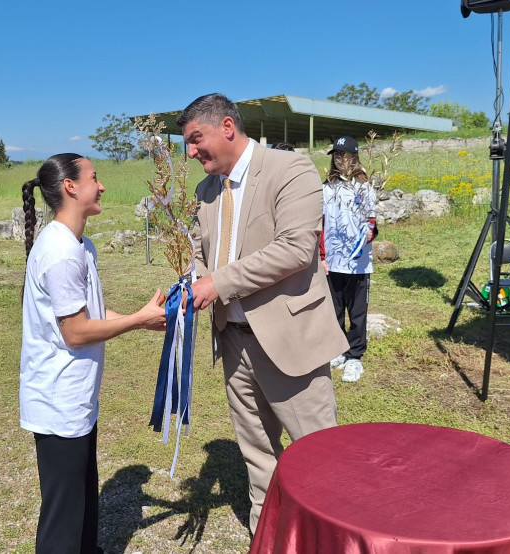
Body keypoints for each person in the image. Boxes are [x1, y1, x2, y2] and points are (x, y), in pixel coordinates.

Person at [179, 93, 344, 534]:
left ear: (227, 127)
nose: (190, 152)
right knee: (256, 452)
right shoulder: (205, 191)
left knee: (319, 452)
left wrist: (216, 284)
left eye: (196, 139)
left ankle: (328, 536)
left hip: (290, 339)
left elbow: (295, 249)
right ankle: (267, 534)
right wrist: (191, 282)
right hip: (233, 340)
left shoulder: (291, 170)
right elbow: (202, 255)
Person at [20, 153, 166, 554]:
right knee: (63, 519)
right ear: (70, 187)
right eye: (94, 178)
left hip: (76, 398)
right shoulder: (61, 252)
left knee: (81, 502)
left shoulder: (80, 245)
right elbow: (76, 332)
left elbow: (90, 315)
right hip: (58, 400)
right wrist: (137, 321)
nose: (101, 186)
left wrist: (142, 318)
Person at [321, 136, 377, 383]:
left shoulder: (365, 188)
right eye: (336, 155)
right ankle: (337, 350)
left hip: (358, 263)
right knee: (334, 310)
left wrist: (371, 233)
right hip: (333, 262)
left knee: (357, 312)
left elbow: (371, 222)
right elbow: (320, 224)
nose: (339, 160)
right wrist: (322, 256)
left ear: (354, 158)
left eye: (344, 155)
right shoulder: (326, 188)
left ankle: (355, 357)